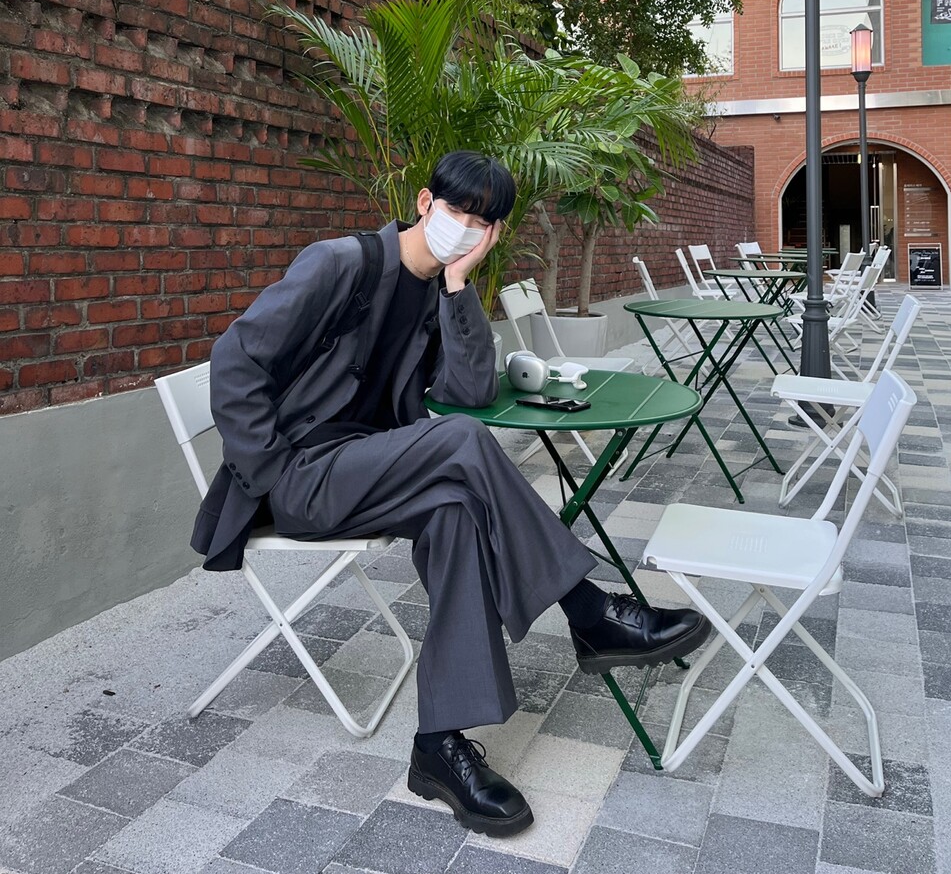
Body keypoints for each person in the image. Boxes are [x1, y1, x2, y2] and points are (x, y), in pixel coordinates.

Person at [194, 150, 711, 838]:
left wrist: (460, 285)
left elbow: (467, 392)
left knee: (456, 511)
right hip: (300, 477)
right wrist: (270, 469)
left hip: (369, 470)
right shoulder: (340, 263)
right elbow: (235, 360)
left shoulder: (440, 290)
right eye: (457, 210)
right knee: (462, 443)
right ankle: (588, 611)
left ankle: (438, 745)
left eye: (482, 222)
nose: (464, 227)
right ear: (423, 202)